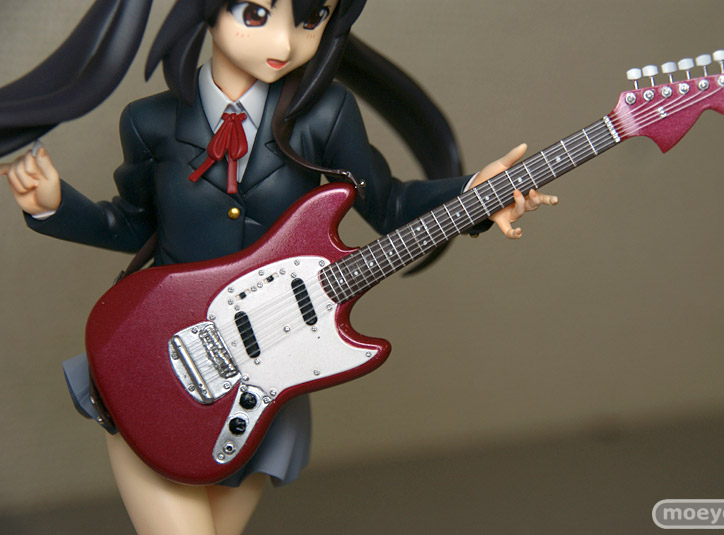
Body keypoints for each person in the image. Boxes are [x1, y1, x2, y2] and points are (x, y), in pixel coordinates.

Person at [0, 1, 557, 533]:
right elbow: (134, 226)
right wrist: (55, 205)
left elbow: (387, 206)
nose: (285, 42)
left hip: (269, 375)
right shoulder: (150, 122)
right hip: (158, 359)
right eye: (256, 14)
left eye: (312, 18)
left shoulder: (325, 115)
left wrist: (474, 194)